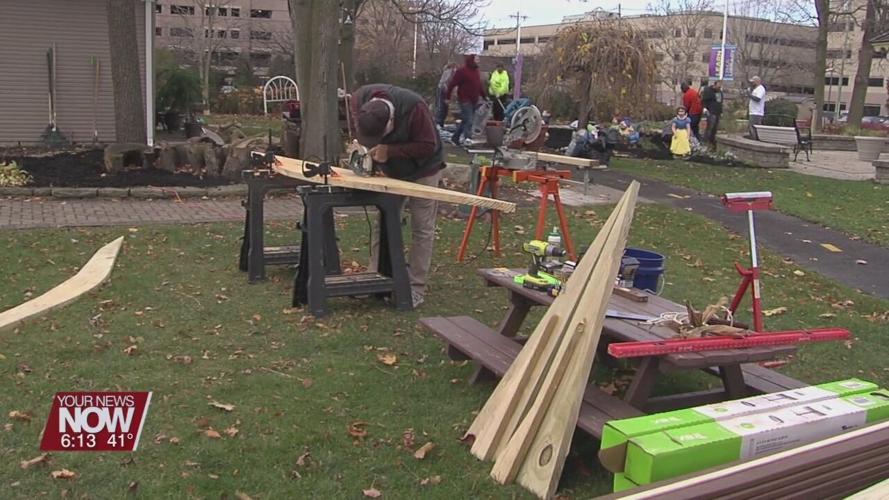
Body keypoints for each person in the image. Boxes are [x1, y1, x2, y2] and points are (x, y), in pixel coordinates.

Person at [351, 84, 446, 308]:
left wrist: (391, 151)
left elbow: (428, 145)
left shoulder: (415, 108)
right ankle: (375, 277)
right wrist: (360, 149)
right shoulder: (359, 99)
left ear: (391, 123)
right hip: (392, 172)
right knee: (384, 222)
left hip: (424, 170)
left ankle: (415, 287)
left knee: (422, 228)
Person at [446, 54, 486, 145]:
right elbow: (452, 84)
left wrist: (484, 96)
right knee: (469, 119)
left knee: (466, 120)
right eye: (477, 59)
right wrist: (448, 97)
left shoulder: (476, 71)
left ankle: (455, 138)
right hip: (464, 99)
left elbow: (478, 85)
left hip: (474, 99)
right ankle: (468, 138)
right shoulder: (462, 71)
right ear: (472, 60)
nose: (478, 61)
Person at [700, 80, 724, 147]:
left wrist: (721, 112)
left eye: (720, 86)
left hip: (718, 112)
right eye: (718, 86)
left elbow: (720, 103)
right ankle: (705, 142)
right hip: (711, 111)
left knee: (715, 128)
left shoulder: (720, 92)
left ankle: (712, 142)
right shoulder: (708, 91)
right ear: (715, 85)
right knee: (710, 127)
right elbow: (704, 101)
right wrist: (704, 108)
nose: (719, 88)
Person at [435, 62, 457, 127]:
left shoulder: (452, 73)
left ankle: (440, 123)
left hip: (446, 91)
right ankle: (438, 123)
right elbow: (444, 83)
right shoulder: (448, 72)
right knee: (441, 108)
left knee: (444, 108)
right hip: (442, 90)